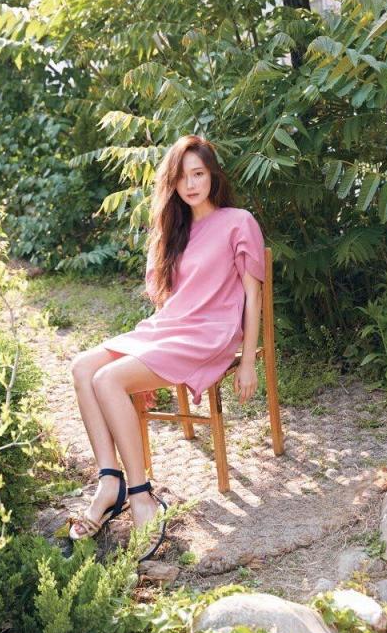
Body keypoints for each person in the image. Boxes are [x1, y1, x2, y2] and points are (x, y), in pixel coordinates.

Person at [68, 134, 266, 561]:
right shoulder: (174, 229)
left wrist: (248, 360)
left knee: (108, 380)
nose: (191, 184)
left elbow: (253, 296)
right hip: (169, 328)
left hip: (208, 334)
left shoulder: (239, 221)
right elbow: (169, 300)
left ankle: (141, 496)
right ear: (172, 183)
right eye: (182, 177)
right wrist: (143, 359)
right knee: (83, 367)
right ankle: (110, 481)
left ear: (213, 176)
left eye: (199, 174)